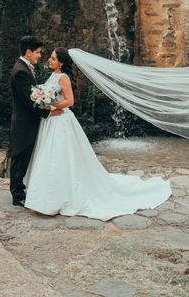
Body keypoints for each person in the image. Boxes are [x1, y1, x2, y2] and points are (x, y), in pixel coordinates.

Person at [23, 47, 172, 221]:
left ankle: (57, 197)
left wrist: (52, 106)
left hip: (61, 121)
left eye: (53, 58)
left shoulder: (63, 77)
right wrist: (43, 102)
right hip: (51, 121)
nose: (49, 60)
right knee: (50, 156)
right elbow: (52, 96)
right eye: (50, 57)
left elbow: (70, 101)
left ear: (61, 63)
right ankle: (45, 196)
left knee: (59, 157)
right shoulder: (53, 75)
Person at [9, 36, 62, 206]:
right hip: (24, 122)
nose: (40, 56)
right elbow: (28, 100)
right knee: (20, 155)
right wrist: (48, 113)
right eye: (38, 52)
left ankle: (20, 190)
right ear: (28, 52)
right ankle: (17, 195)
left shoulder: (25, 68)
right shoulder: (20, 71)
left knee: (24, 156)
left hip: (26, 121)